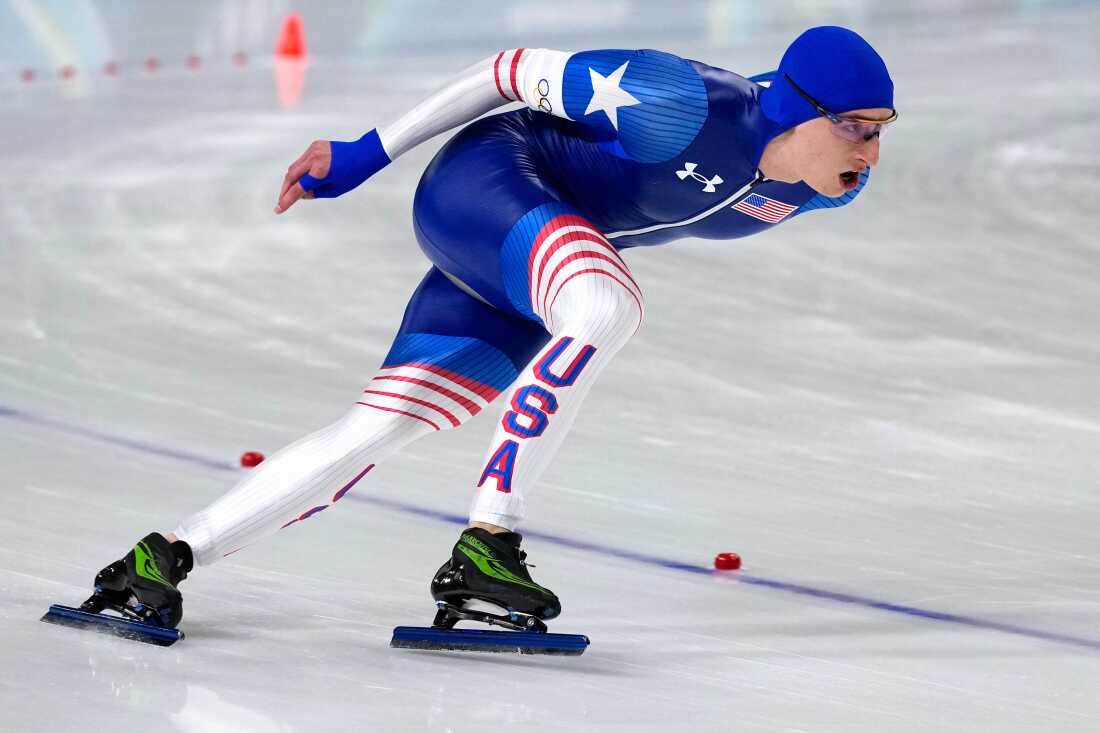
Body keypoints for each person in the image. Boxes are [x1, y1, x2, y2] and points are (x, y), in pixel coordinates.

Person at [90, 26, 896, 630]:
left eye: (884, 127)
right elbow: (507, 71)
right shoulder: (683, 102)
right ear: (801, 110)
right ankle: (488, 539)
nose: (873, 150)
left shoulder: (827, 186)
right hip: (489, 185)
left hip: (524, 255)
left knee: (380, 427)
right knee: (605, 302)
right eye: (859, 125)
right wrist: (366, 153)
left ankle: (160, 557)